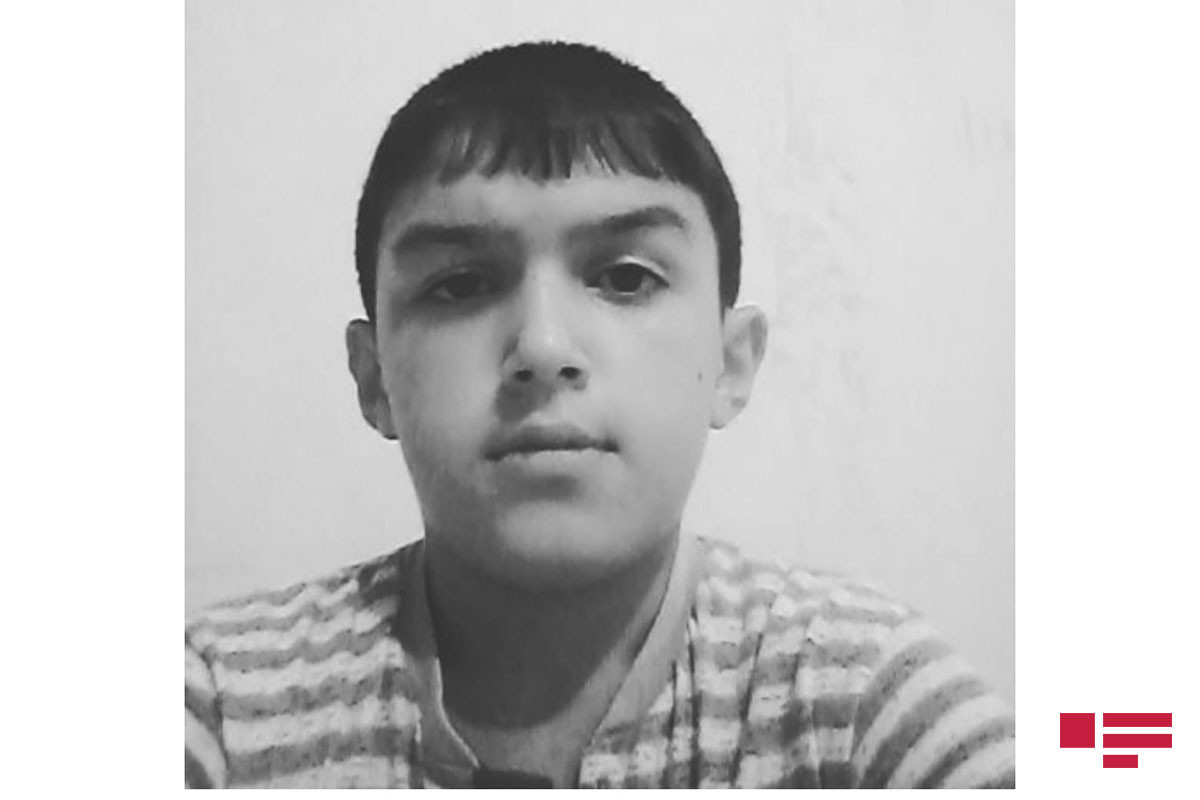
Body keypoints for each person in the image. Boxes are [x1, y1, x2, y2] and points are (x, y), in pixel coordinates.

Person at [185, 41, 1014, 789]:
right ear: (374, 380)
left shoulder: (856, 695)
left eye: (625, 278)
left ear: (730, 362)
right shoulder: (225, 702)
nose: (544, 347)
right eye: (460, 284)